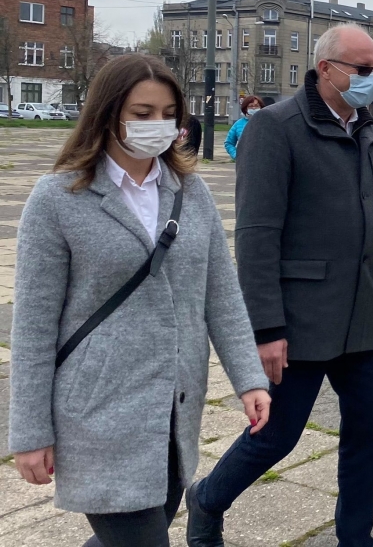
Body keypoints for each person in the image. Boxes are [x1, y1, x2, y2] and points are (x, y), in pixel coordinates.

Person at [9, 54, 270, 547]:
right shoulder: (57, 198)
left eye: (169, 113)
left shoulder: (190, 192)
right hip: (97, 411)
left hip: (174, 410)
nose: (159, 125)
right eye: (142, 113)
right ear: (107, 113)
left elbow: (221, 295)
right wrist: (29, 432)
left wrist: (249, 379)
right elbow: (33, 328)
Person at [187, 25, 373, 547]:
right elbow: (257, 236)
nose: (372, 78)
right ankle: (207, 499)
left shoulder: (372, 130)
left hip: (363, 316)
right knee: (276, 436)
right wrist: (266, 327)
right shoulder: (275, 128)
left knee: (368, 435)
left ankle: (356, 540)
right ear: (326, 69)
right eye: (363, 69)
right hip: (301, 319)